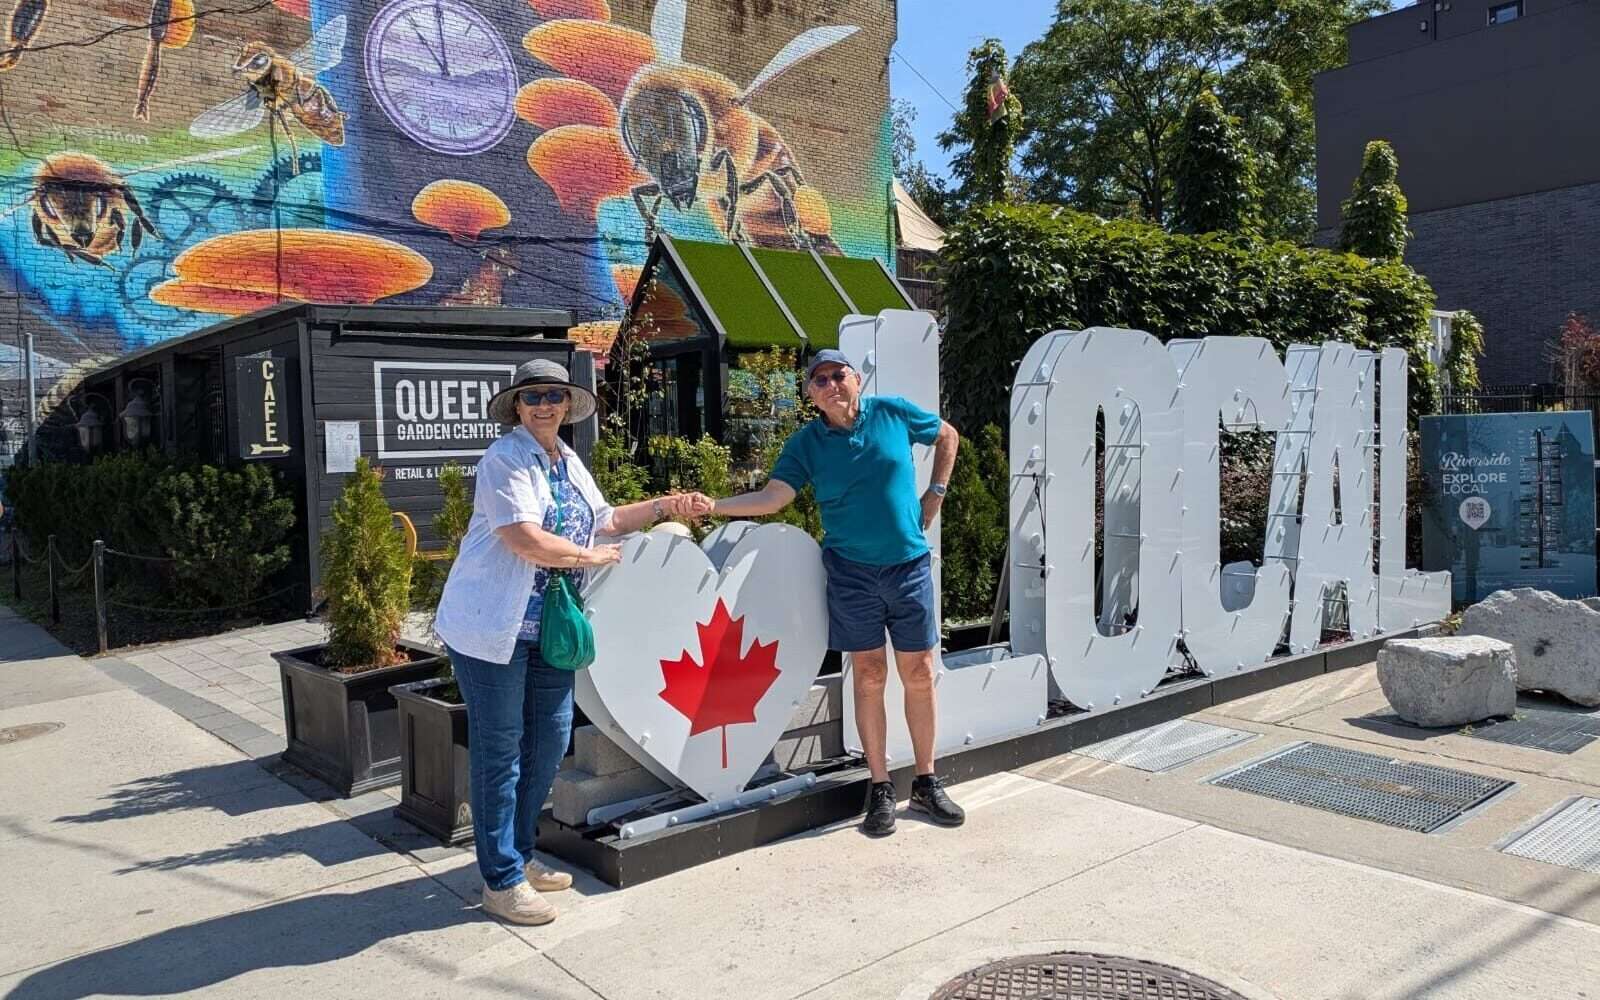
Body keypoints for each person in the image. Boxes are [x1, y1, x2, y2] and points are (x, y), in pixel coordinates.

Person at [434, 358, 711, 925]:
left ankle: (519, 853)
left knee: (550, 740)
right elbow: (523, 538)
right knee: (501, 748)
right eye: (533, 396)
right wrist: (590, 557)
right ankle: (501, 879)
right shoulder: (505, 459)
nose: (544, 405)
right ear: (517, 405)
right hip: (494, 632)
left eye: (554, 395)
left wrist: (664, 506)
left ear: (567, 403)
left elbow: (604, 519)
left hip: (550, 630)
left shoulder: (567, 459)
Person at [709, 348, 963, 837]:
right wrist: (714, 505)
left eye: (837, 375)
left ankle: (927, 782)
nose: (830, 384)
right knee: (868, 675)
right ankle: (882, 787)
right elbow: (773, 498)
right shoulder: (807, 444)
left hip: (908, 567)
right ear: (809, 394)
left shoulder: (891, 412)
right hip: (851, 574)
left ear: (856, 379)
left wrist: (937, 492)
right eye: (818, 380)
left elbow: (947, 435)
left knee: (920, 671)